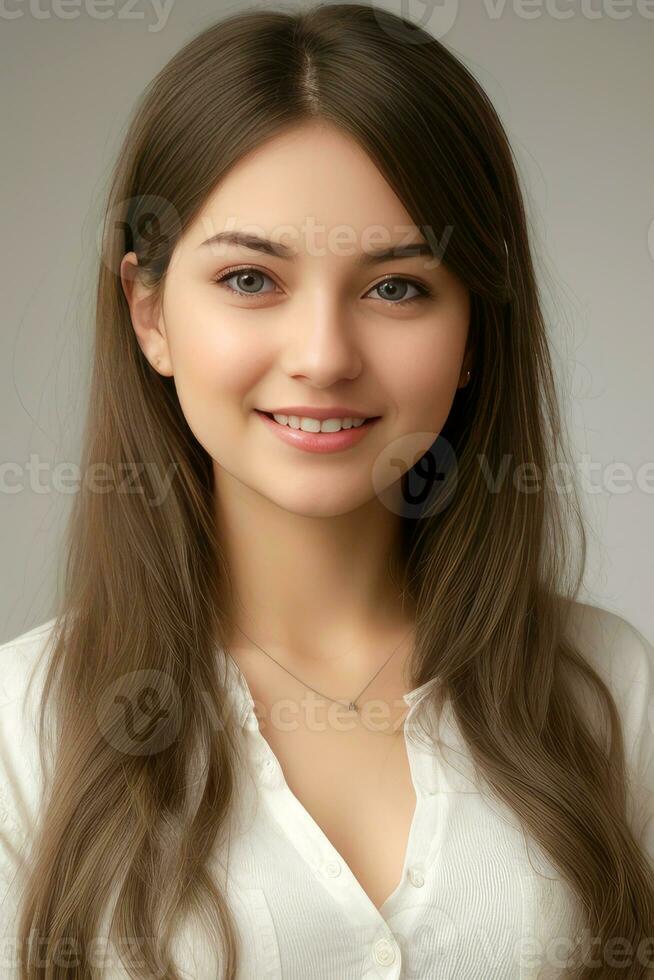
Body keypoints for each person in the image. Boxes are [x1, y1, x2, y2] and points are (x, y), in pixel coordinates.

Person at [1, 4, 652, 978]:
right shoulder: (18, 730)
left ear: (475, 328)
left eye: (395, 287)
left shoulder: (611, 690)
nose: (322, 357)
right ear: (151, 315)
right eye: (251, 279)